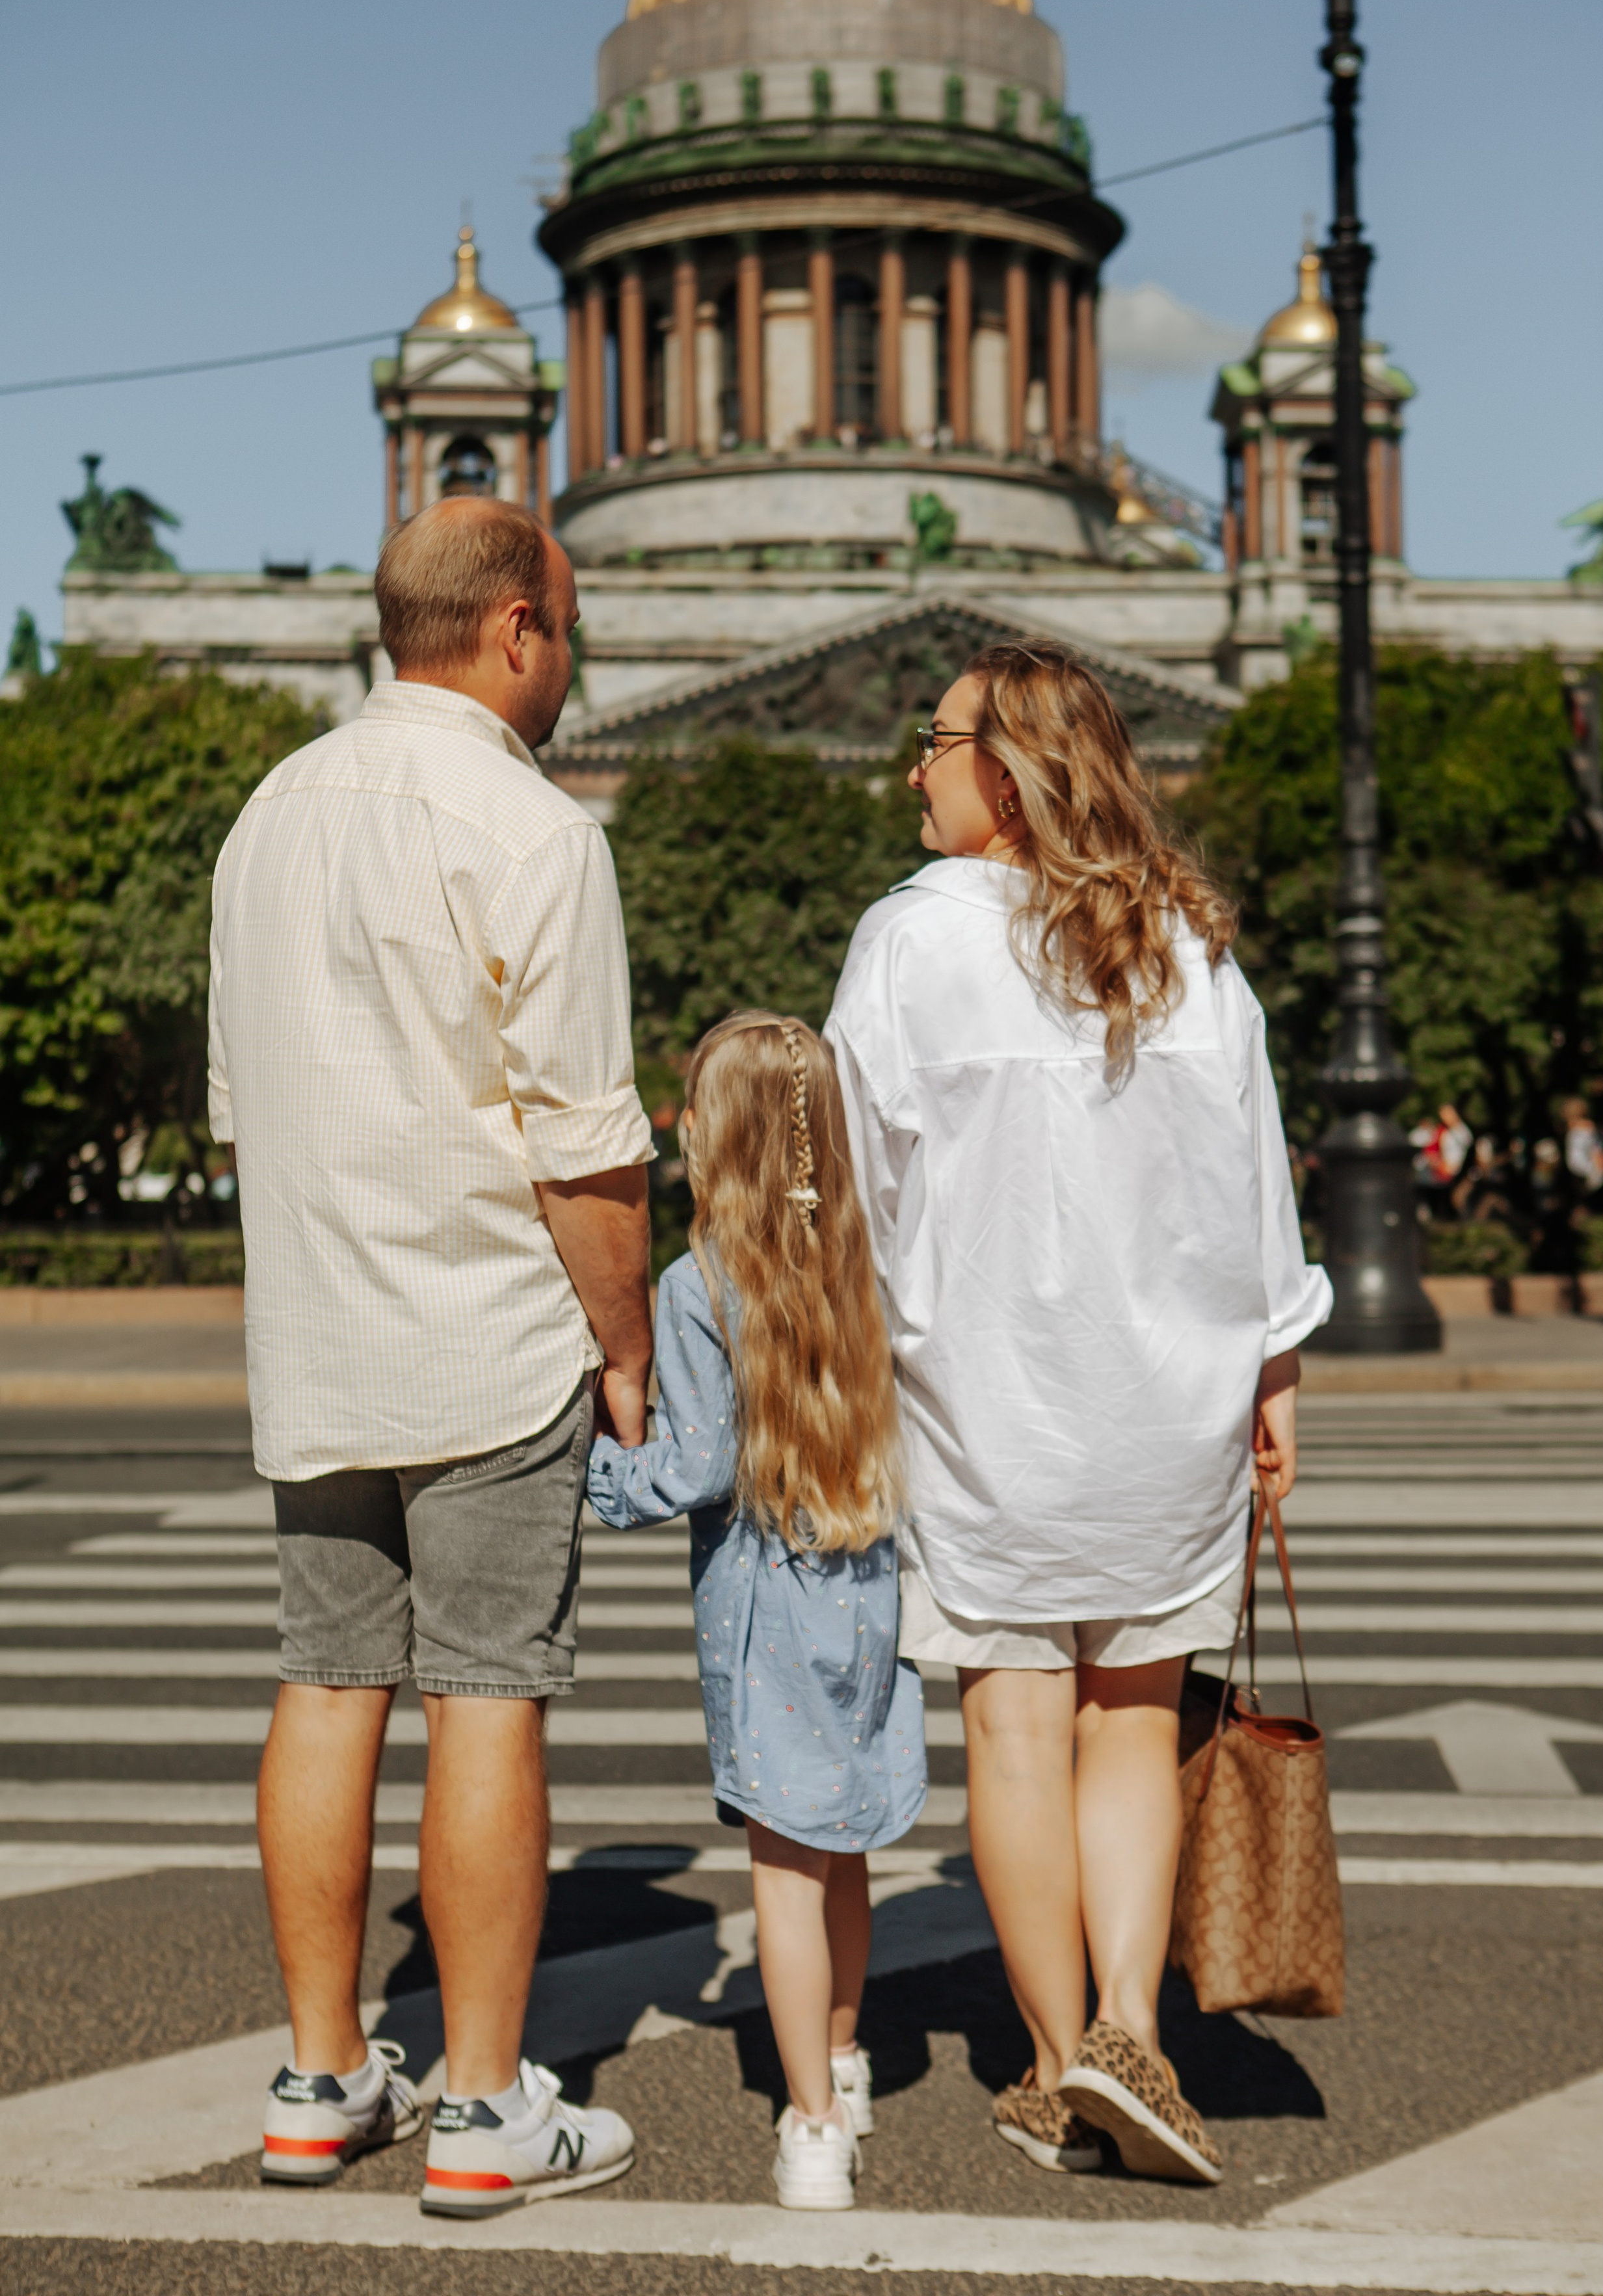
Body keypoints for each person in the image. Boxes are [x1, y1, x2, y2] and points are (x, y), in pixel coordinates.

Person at [824, 636, 1331, 2187]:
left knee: (1014, 1726)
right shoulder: (1184, 944)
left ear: (1009, 770)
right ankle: (1129, 2026)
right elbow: (1254, 1184)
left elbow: (849, 1187)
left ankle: (1056, 2070)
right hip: (1168, 1403)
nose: (912, 770)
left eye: (936, 743)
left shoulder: (909, 941)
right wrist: (1273, 1374)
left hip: (981, 1402)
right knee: (1132, 1720)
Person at [208, 497, 654, 2216]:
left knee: (327, 1685)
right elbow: (587, 1152)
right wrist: (625, 1347)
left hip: (318, 1336)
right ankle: (480, 2107)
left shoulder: (269, 815)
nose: (572, 653)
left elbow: (245, 1111)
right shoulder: (533, 829)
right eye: (569, 624)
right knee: (485, 1697)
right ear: (517, 628)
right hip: (488, 1336)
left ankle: (321, 2080)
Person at [587, 1012, 926, 2213]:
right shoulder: (860, 1262)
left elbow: (693, 1467)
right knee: (844, 1849)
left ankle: (815, 2126)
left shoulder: (699, 1287)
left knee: (782, 1871)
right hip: (864, 1593)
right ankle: (845, 2054)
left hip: (766, 1609)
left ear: (714, 1139)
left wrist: (597, 1469)